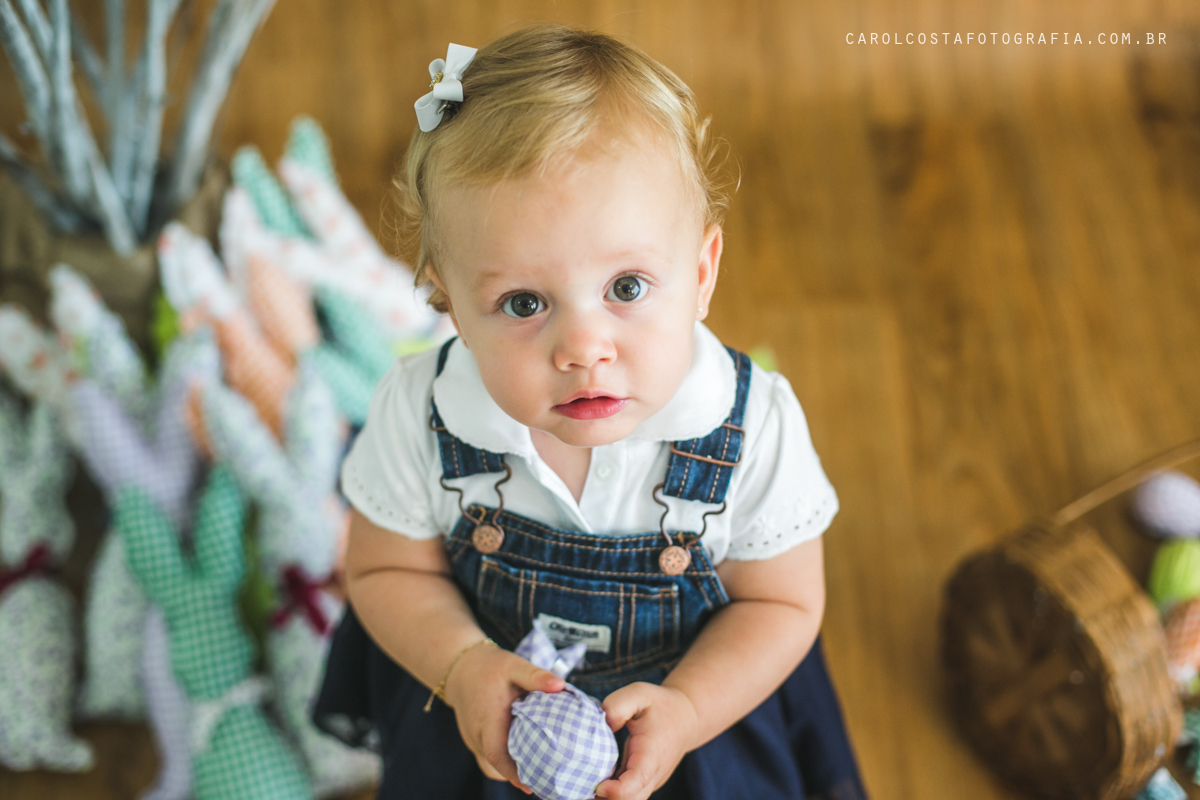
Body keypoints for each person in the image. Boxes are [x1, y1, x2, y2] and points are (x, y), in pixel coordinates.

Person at [314, 23, 867, 800]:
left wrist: (688, 708)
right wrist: (461, 665)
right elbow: (381, 567)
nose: (583, 347)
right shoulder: (424, 414)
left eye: (628, 287)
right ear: (449, 303)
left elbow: (781, 602)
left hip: (695, 723)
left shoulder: (750, 428)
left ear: (702, 273)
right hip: (487, 712)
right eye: (524, 302)